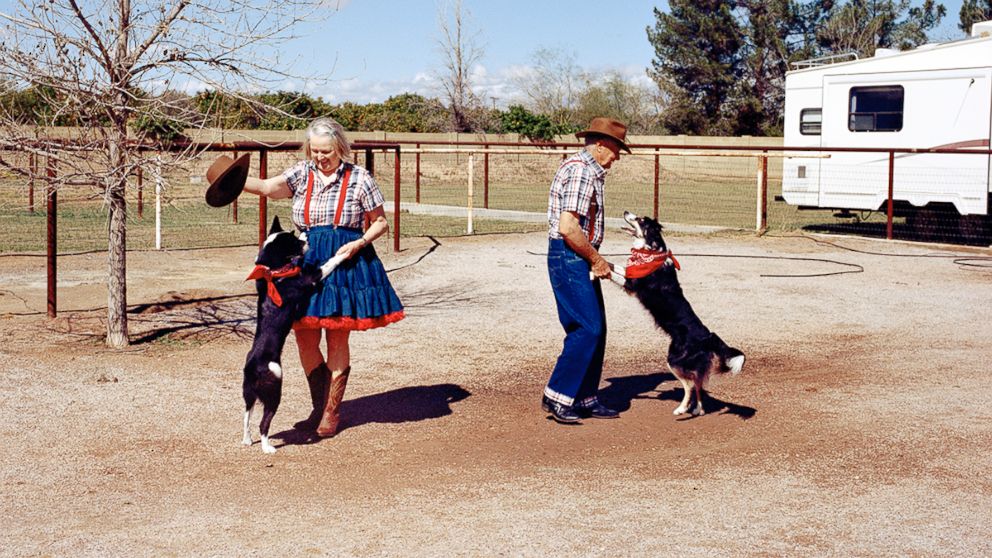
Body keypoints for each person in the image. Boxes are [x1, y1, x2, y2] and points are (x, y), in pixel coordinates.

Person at [242, 117, 404, 437]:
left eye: (326, 151)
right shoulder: (302, 174)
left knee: (337, 335)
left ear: (340, 148)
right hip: (306, 260)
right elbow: (266, 188)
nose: (320, 157)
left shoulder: (360, 178)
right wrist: (231, 180)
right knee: (304, 336)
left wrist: (360, 241)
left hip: (345, 261)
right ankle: (319, 407)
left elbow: (381, 222)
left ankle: (331, 412)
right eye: (314, 150)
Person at [542, 117, 630, 424]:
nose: (617, 157)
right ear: (602, 144)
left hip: (576, 255)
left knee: (596, 329)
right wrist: (596, 260)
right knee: (587, 328)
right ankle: (557, 394)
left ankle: (584, 397)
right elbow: (569, 227)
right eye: (617, 149)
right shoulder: (581, 172)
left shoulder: (588, 170)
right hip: (570, 256)